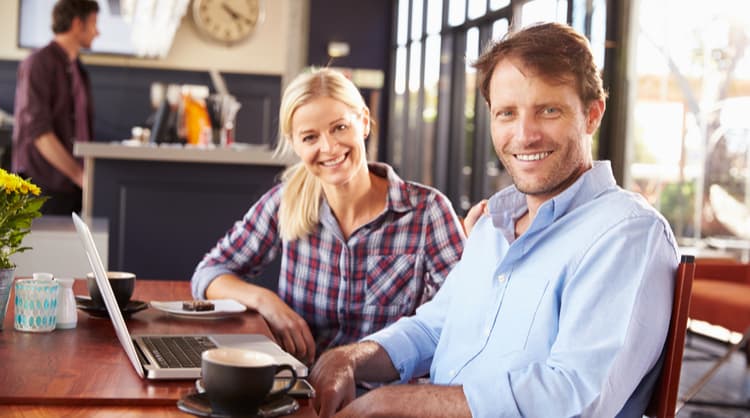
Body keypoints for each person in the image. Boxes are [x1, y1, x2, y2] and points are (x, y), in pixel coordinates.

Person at [309, 22, 679, 417]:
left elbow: (574, 397)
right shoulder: (492, 225)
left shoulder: (626, 233)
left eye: (548, 110)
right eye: (506, 114)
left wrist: (395, 401)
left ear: (592, 115)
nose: (524, 135)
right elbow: (433, 327)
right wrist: (348, 358)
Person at [190, 68, 465, 365]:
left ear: (363, 122)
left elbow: (459, 317)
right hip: (302, 389)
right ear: (295, 144)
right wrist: (266, 302)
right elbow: (209, 274)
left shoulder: (427, 212)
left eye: (339, 128)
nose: (329, 148)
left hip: (388, 397)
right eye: (310, 137)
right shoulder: (286, 202)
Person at [12, 0, 99, 215]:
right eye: (94, 23)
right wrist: (81, 176)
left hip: (71, 189)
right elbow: (40, 134)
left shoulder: (78, 68)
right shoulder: (37, 63)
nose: (98, 32)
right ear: (78, 23)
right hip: (43, 190)